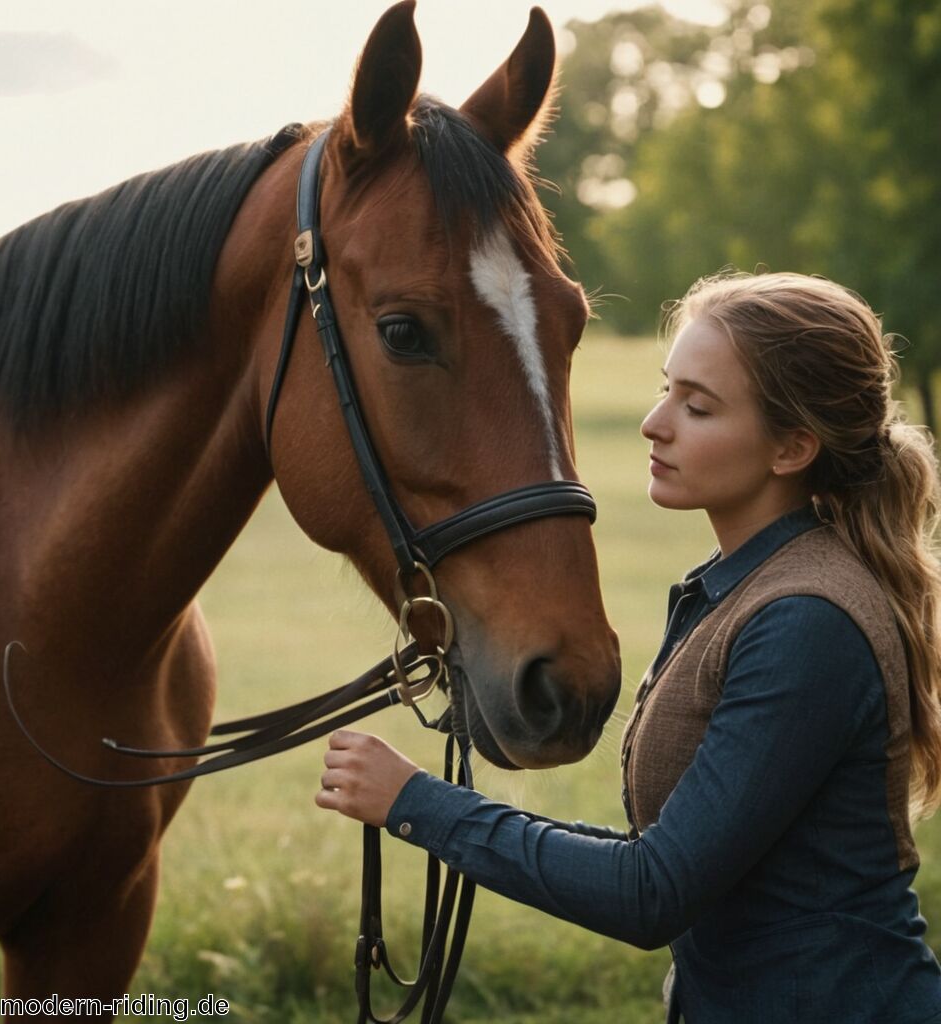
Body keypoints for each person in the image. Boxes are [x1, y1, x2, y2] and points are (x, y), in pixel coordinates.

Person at [315, 271, 941, 1023]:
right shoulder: (744, 588)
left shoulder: (805, 621)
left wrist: (421, 807)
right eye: (666, 389)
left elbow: (653, 892)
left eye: (698, 406)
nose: (655, 422)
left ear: (793, 447)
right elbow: (676, 855)